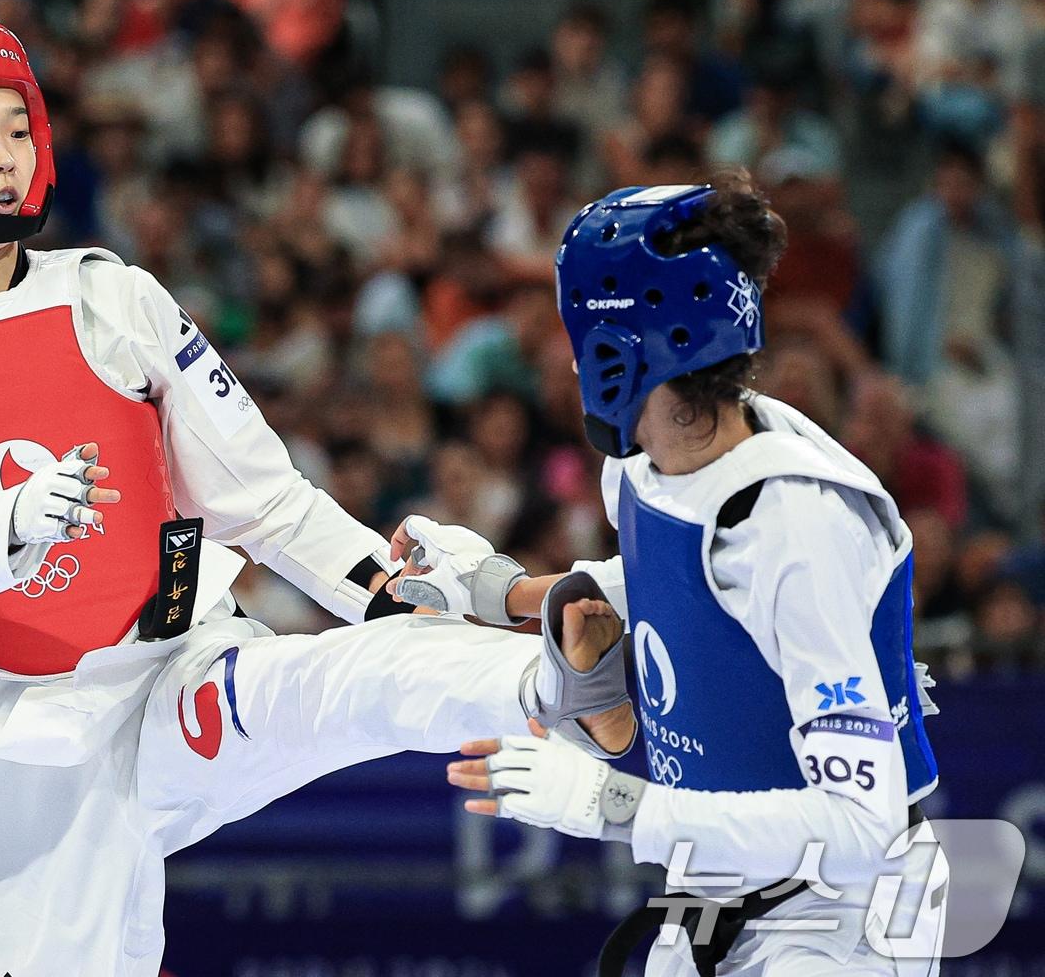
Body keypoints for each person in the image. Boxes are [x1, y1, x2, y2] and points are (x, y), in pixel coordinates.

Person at [0, 7, 625, 976]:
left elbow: (264, 502)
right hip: (18, 734)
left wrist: (384, 589)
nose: (4, 155)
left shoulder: (110, 297)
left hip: (177, 671)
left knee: (360, 676)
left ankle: (574, 679)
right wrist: (5, 524)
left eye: (17, 127)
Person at [391, 174, 948, 975]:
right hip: (711, 876)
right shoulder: (646, 466)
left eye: (577, 335)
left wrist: (608, 804)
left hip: (846, 908)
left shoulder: (794, 527)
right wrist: (498, 591)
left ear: (624, 347)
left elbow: (859, 826)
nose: (566, 357)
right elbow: (676, 584)